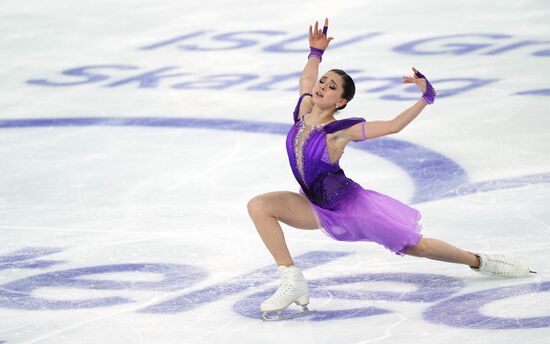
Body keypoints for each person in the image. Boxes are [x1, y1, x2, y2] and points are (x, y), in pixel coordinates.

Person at [247, 18, 534, 321]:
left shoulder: (339, 132)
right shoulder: (303, 110)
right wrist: (315, 53)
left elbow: (393, 126)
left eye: (331, 87)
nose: (321, 87)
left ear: (341, 101)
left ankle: (480, 261)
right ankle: (292, 279)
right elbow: (307, 81)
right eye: (324, 82)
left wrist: (426, 98)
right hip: (313, 205)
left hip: (349, 208)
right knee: (260, 206)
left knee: (416, 247)